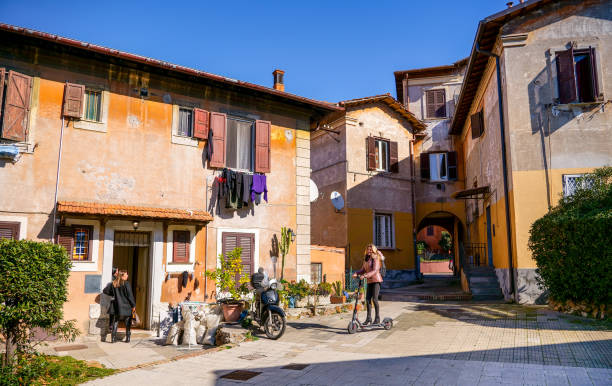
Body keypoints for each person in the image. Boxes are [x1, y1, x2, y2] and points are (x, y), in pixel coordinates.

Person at [353, 244, 384, 325]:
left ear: (373, 250)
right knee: (367, 300)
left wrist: (364, 276)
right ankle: (368, 318)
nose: (369, 251)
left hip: (376, 280)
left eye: (371, 250)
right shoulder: (366, 259)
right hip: (369, 281)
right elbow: (363, 270)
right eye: (368, 249)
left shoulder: (375, 258)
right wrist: (356, 273)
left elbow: (375, 270)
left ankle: (377, 318)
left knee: (375, 300)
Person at [103, 270, 136, 343]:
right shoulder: (126, 284)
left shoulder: (114, 284)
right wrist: (133, 305)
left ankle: (113, 339)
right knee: (127, 322)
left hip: (116, 305)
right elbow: (130, 296)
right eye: (126, 275)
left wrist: (113, 294)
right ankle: (128, 339)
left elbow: (105, 291)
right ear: (123, 276)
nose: (127, 276)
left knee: (115, 321)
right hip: (126, 305)